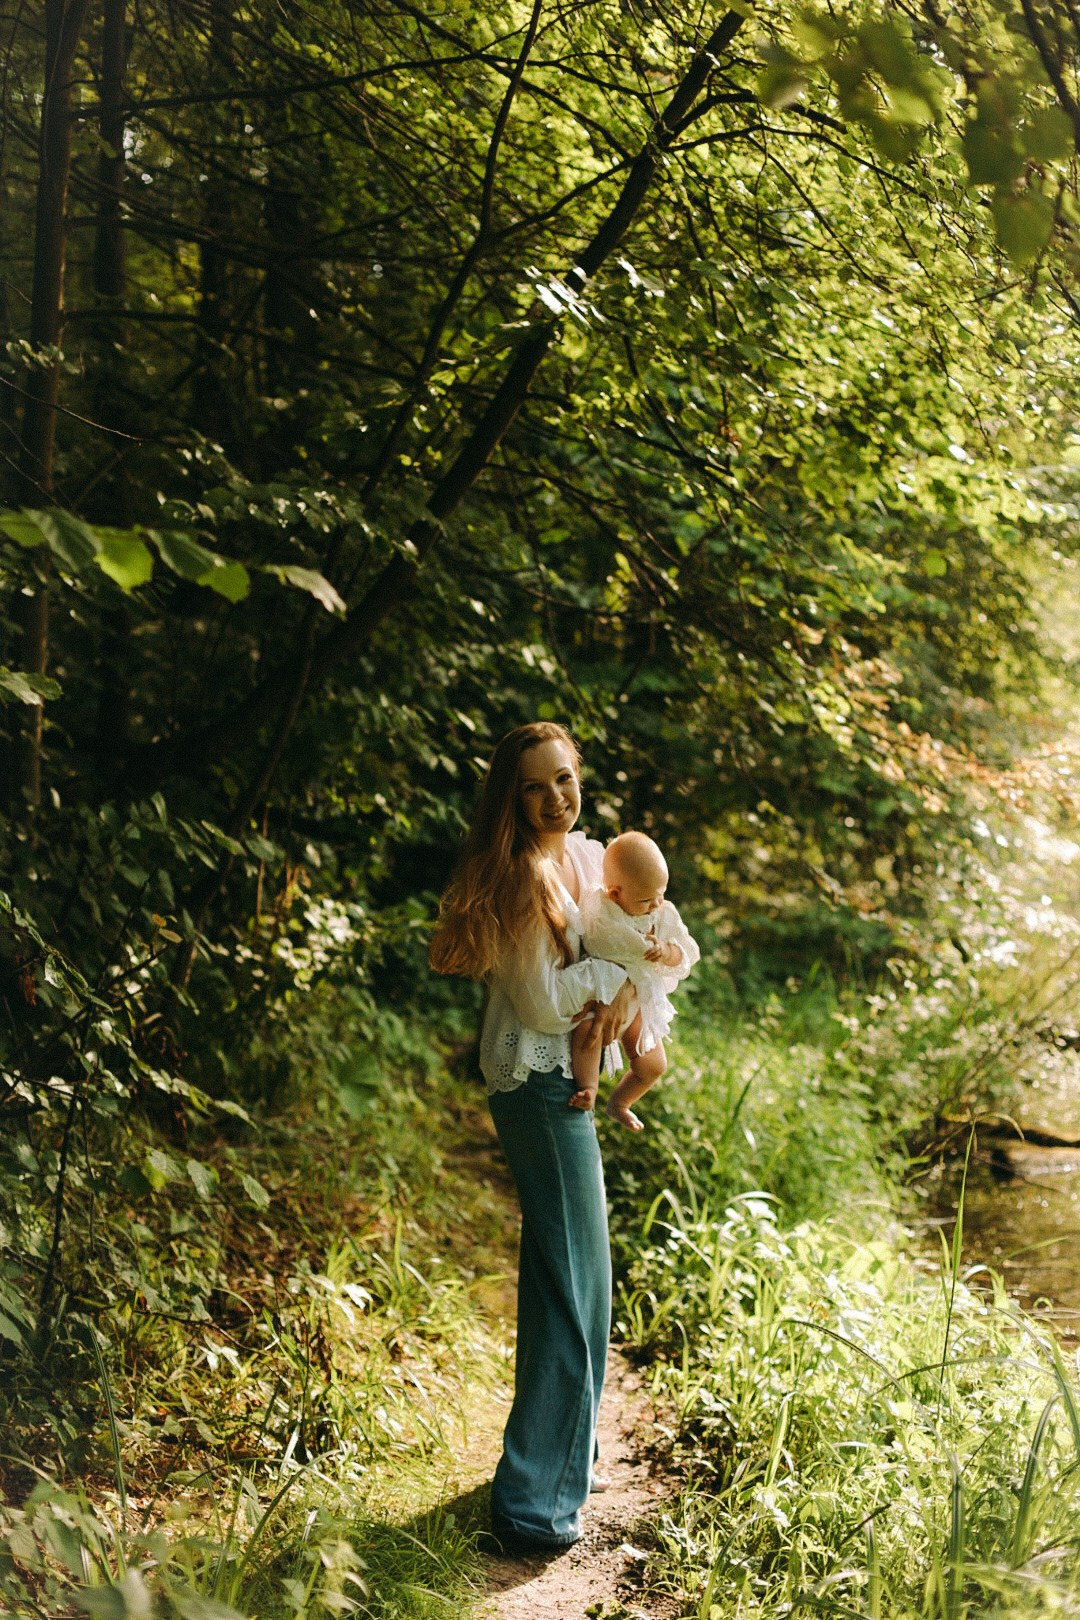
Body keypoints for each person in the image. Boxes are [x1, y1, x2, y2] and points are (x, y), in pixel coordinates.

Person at [429, 721, 635, 1552]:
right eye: (535, 786)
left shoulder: (574, 860)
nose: (556, 796)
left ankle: (551, 1473)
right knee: (574, 1290)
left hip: (557, 1088)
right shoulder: (520, 875)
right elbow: (548, 1005)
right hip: (538, 1087)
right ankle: (532, 1510)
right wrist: (615, 976)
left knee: (577, 1282)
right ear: (511, 800)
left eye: (565, 778)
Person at [569, 831, 700, 1131]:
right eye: (646, 899)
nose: (656, 904)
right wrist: (641, 947)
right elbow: (600, 939)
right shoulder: (601, 908)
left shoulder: (662, 912)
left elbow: (686, 950)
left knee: (654, 1065)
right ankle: (589, 1087)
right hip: (602, 997)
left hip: (638, 1002)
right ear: (615, 894)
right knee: (588, 1033)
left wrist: (666, 951)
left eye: (662, 894)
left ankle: (620, 1103)